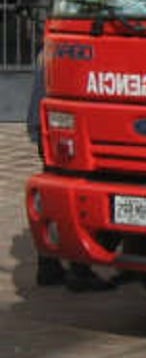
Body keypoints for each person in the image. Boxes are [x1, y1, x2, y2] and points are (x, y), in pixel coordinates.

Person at [25, 50, 114, 292]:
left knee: (54, 192)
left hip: (48, 127)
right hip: (63, 128)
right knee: (80, 198)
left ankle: (48, 264)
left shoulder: (53, 49)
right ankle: (79, 269)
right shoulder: (71, 53)